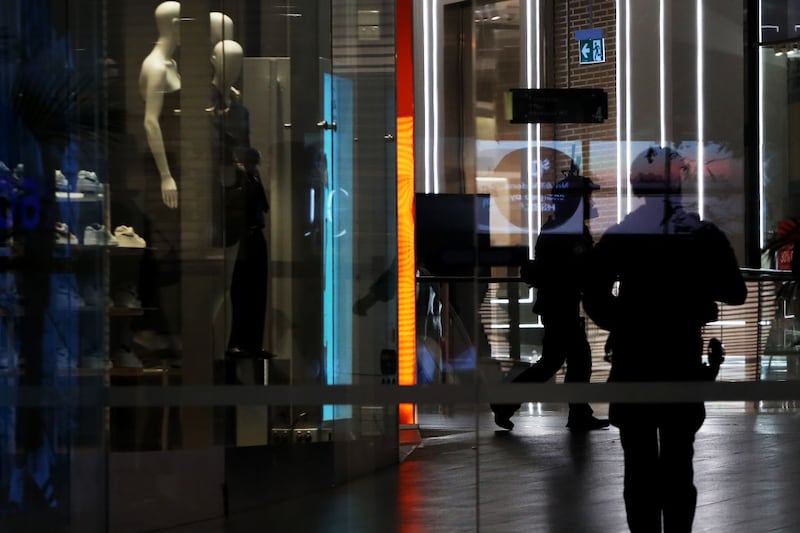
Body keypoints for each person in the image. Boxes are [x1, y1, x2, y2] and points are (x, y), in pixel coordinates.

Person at [582, 146, 747, 532]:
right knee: (678, 464)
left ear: (636, 185)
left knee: (637, 468)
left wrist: (623, 321)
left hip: (633, 360)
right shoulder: (701, 235)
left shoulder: (622, 236)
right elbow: (734, 291)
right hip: (680, 357)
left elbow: (593, 293)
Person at [491, 166, 609, 432]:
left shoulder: (567, 228)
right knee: (577, 360)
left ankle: (505, 403)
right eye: (586, 198)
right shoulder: (563, 231)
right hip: (559, 305)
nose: (591, 202)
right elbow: (569, 269)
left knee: (553, 363)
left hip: (560, 304)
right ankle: (577, 414)